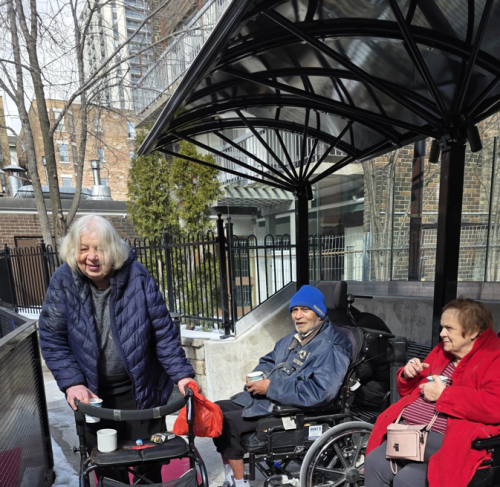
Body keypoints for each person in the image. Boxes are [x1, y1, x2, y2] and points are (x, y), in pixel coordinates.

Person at [38, 215, 196, 484]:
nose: (91, 256)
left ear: (113, 249)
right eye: (83, 248)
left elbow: (162, 334)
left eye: (99, 248)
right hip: (93, 395)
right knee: (109, 466)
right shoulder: (63, 280)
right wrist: (73, 383)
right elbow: (53, 338)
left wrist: (182, 375)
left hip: (141, 389)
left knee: (148, 460)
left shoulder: (137, 276)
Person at [213, 285, 352, 487]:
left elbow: (322, 392)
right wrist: (258, 376)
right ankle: (230, 478)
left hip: (293, 409)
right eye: (294, 310)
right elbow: (269, 361)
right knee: (215, 410)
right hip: (270, 398)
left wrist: (270, 388)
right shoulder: (294, 339)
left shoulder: (331, 347)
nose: (298, 316)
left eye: (305, 309)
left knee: (227, 423)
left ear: (319, 314)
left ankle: (240, 483)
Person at [365, 298, 500, 487]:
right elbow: (409, 391)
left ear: (473, 330)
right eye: (442, 327)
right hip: (413, 432)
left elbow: (495, 406)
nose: (442, 333)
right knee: (375, 462)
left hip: (448, 438)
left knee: (405, 476)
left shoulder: (494, 358)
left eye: (449, 328)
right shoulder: (442, 352)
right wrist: (408, 375)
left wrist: (445, 395)